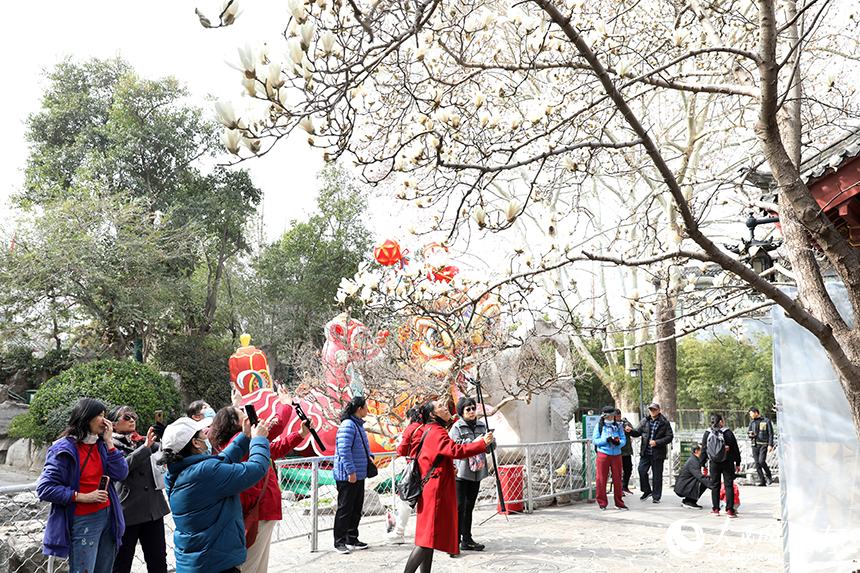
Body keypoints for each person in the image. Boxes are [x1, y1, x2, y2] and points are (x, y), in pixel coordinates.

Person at [209, 388, 310, 573]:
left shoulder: (240, 442)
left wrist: (300, 435)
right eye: (242, 414)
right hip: (257, 510)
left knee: (258, 565)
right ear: (234, 424)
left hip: (260, 509)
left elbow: (274, 450)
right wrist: (286, 404)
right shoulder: (240, 440)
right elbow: (276, 425)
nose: (250, 417)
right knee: (250, 565)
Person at [162, 413, 271, 573]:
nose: (206, 436)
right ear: (195, 443)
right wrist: (258, 440)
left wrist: (245, 436)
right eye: (202, 434)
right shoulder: (204, 473)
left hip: (197, 562)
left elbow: (221, 460)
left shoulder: (178, 473)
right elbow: (256, 469)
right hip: (216, 564)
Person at [37, 398, 129, 573]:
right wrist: (84, 497)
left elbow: (121, 473)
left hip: (109, 516)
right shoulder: (63, 449)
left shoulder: (102, 445)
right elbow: (45, 488)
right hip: (83, 519)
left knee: (104, 569)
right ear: (86, 418)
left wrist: (110, 443)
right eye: (100, 415)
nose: (105, 420)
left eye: (105, 415)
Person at [403, 400, 494, 573]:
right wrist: (482, 444)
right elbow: (456, 450)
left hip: (431, 487)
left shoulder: (429, 430)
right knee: (427, 539)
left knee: (429, 539)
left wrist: (446, 464)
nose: (445, 408)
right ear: (432, 415)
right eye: (440, 407)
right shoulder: (437, 431)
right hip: (435, 490)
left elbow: (431, 456)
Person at [107, 406, 169, 573]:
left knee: (158, 562)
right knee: (121, 563)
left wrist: (164, 437)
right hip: (126, 511)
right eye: (126, 417)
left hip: (152, 509)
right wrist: (145, 448)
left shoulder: (143, 440)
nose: (132, 419)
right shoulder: (109, 444)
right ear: (113, 424)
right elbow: (121, 469)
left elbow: (168, 455)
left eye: (134, 415)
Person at [449, 397, 496, 549]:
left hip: (477, 472)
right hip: (461, 473)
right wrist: (474, 443)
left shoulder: (482, 425)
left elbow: (490, 448)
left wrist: (489, 441)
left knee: (469, 506)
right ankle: (453, 540)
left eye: (473, 408)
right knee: (459, 506)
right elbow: (454, 448)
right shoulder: (456, 428)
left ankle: (467, 540)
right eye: (467, 409)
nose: (471, 411)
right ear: (461, 411)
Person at [333, 396, 374, 554]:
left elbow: (362, 445)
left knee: (356, 508)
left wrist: (369, 455)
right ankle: (339, 542)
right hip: (348, 475)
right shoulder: (348, 425)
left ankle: (352, 538)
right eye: (366, 407)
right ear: (359, 409)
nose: (367, 410)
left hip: (359, 474)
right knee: (345, 509)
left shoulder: (357, 425)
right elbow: (344, 450)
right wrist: (351, 471)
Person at [384, 408, 423, 545]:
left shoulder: (411, 429)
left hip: (414, 469)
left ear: (409, 418)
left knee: (405, 500)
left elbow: (401, 450)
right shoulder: (428, 428)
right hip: (428, 469)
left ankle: (399, 532)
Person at [625, 402, 673, 504]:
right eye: (651, 409)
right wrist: (630, 431)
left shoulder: (664, 422)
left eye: (654, 409)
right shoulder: (645, 421)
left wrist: (657, 442)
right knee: (641, 470)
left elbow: (669, 437)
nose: (652, 411)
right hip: (645, 452)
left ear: (659, 410)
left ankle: (656, 496)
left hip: (658, 453)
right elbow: (637, 432)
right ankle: (647, 491)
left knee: (657, 476)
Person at [701, 414, 742, 518]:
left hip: (713, 463)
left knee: (715, 485)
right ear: (720, 422)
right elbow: (735, 449)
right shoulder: (727, 432)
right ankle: (730, 510)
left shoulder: (707, 433)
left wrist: (702, 464)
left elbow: (704, 450)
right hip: (728, 462)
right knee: (729, 485)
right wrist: (738, 463)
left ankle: (715, 509)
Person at [592, 406, 627, 510]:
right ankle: (602, 502)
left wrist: (618, 443)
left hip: (616, 454)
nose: (611, 418)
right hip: (603, 454)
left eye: (612, 416)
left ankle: (619, 502)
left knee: (618, 479)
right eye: (609, 417)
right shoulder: (599, 426)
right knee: (601, 479)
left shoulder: (619, 426)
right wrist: (606, 440)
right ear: (604, 417)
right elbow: (595, 441)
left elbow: (624, 439)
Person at [673, 443, 710, 509]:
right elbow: (700, 477)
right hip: (683, 487)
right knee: (703, 482)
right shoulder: (693, 461)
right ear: (696, 451)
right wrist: (715, 486)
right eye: (702, 450)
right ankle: (689, 502)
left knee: (705, 480)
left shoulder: (696, 460)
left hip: (686, 484)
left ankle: (688, 500)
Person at [748, 407, 775, 486]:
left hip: (763, 444)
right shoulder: (751, 423)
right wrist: (751, 435)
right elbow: (748, 433)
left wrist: (770, 445)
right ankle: (762, 481)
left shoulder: (766, 421)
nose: (750, 415)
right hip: (754, 444)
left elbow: (770, 434)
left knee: (761, 461)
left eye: (751, 413)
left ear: (756, 412)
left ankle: (768, 475)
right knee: (757, 463)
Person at [615, 409, 634, 495]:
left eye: (619, 416)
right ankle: (619, 489)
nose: (618, 418)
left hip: (626, 451)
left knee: (628, 468)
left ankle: (625, 486)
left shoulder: (624, 422)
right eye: (616, 417)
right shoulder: (611, 424)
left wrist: (628, 428)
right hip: (617, 451)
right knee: (618, 471)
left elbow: (631, 429)